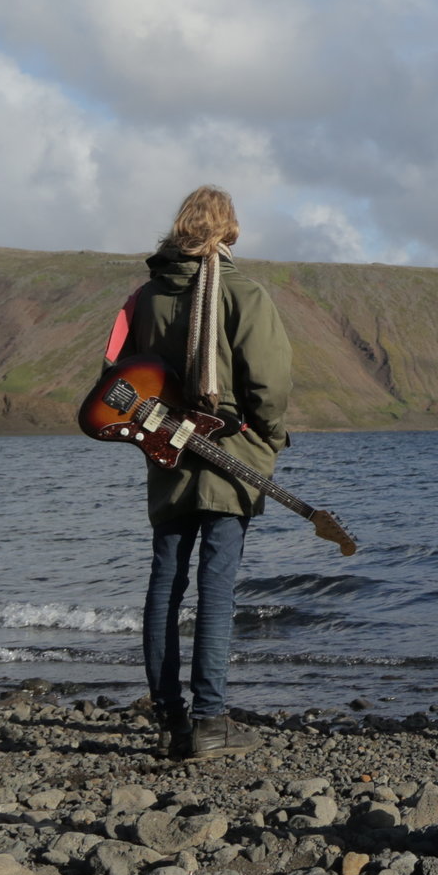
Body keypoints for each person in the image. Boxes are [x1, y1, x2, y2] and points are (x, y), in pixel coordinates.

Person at [123, 185, 292, 761]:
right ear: (230, 229)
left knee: (165, 585)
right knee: (217, 590)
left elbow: (124, 378)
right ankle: (211, 721)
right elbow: (269, 382)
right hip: (229, 452)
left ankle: (171, 724)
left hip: (167, 455)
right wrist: (267, 440)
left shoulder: (146, 296)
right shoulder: (241, 291)